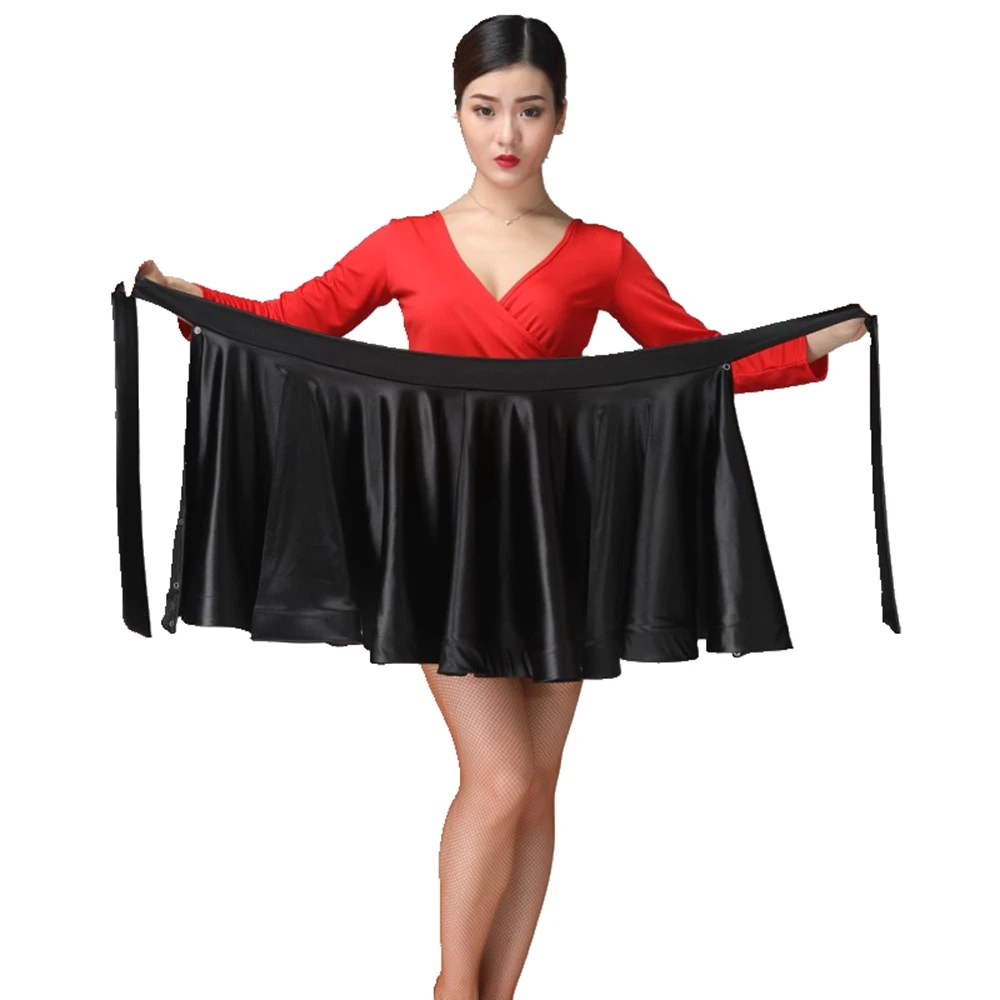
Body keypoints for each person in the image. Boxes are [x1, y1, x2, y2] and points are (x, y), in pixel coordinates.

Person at [135, 15, 868, 1000]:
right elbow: (293, 324)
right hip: (443, 532)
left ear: (562, 117)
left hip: (560, 531)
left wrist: (816, 342)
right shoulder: (402, 242)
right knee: (503, 776)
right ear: (457, 115)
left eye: (529, 109)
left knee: (538, 786)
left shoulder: (602, 253)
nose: (507, 133)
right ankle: (452, 992)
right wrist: (191, 299)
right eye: (486, 110)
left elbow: (695, 359)